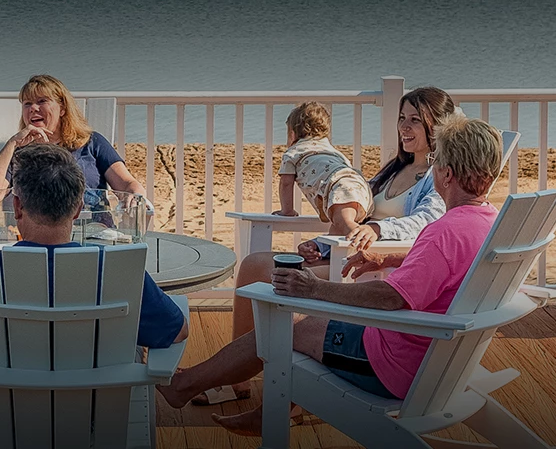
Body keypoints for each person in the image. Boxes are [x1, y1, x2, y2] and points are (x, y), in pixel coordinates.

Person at [155, 117, 508, 436]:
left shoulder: (443, 232)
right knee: (303, 327)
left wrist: (316, 288)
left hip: (395, 365)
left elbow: (391, 297)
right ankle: (242, 404)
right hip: (441, 361)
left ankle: (186, 386)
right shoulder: (489, 224)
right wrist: (389, 256)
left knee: (285, 329)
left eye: (436, 164)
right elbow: (443, 271)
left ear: (446, 174)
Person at [200, 87, 459, 405]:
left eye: (415, 120)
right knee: (254, 264)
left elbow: (426, 223)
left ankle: (281, 390)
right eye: (402, 118)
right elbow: (354, 218)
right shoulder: (394, 170)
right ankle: (239, 379)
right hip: (344, 254)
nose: (404, 127)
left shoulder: (438, 177)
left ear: (438, 126)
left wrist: (377, 229)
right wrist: (320, 246)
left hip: (377, 268)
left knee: (266, 272)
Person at [0, 144, 187, 350]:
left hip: (2, 407)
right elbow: (177, 332)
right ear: (77, 209)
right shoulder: (116, 269)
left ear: (17, 207)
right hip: (97, 406)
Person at [0, 75, 149, 199]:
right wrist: (12, 144)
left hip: (92, 232)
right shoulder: (19, 152)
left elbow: (126, 184)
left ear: (63, 109)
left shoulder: (91, 143)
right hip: (34, 237)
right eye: (27, 104)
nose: (33, 108)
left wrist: (135, 194)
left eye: (42, 101)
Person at [273, 101, 373, 240]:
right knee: (337, 229)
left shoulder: (293, 153)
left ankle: (372, 247)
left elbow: (286, 183)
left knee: (345, 224)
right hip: (359, 185)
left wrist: (287, 211)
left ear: (292, 133)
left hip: (338, 186)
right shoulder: (333, 151)